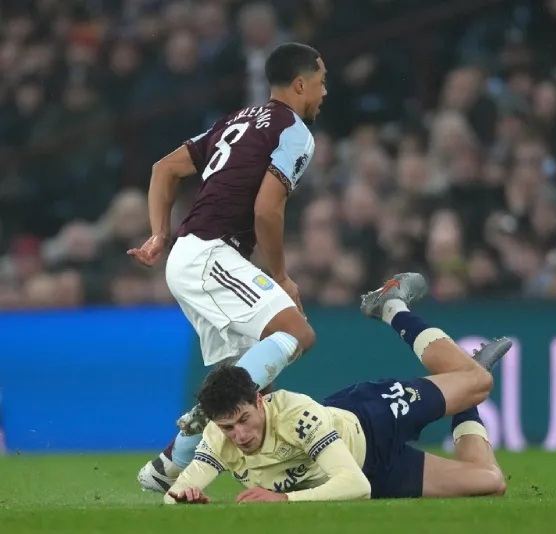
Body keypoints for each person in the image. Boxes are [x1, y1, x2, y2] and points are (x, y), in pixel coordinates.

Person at [129, 42, 327, 491]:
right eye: (321, 81)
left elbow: (164, 169)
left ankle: (168, 467)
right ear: (300, 84)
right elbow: (267, 211)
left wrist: (160, 234)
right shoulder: (294, 130)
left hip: (192, 254)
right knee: (297, 334)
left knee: (246, 385)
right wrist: (281, 276)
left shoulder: (236, 121)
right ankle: (203, 415)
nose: (324, 92)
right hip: (209, 255)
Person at [164, 273, 508, 503]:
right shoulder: (219, 435)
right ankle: (467, 385)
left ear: (259, 400)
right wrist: (186, 498)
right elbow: (174, 494)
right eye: (228, 427)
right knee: (490, 481)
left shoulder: (297, 414)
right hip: (374, 471)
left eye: (242, 420)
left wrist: (284, 499)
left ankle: (390, 306)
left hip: (372, 417)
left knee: (480, 383)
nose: (238, 435)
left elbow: (355, 487)